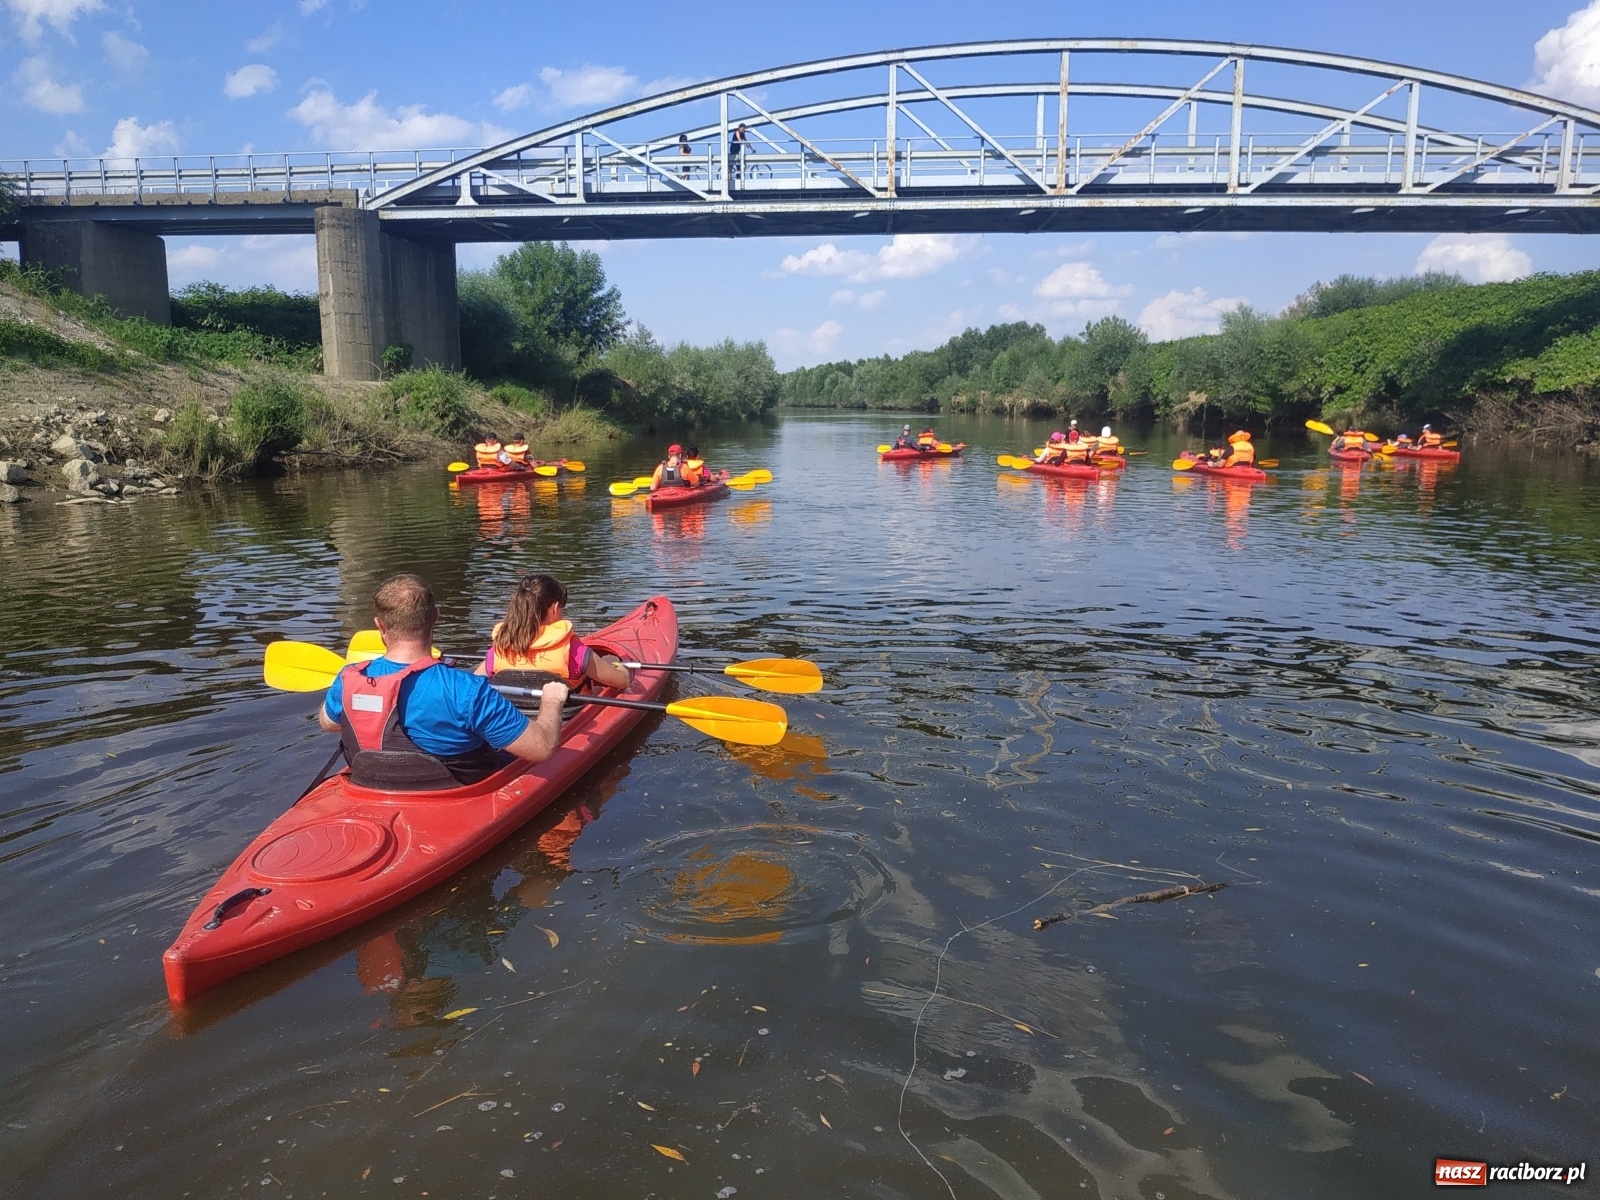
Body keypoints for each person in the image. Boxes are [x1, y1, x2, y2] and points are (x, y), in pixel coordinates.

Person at [317, 574, 567, 789]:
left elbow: (328, 723)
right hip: (455, 792)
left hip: (371, 785)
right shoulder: (467, 689)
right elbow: (542, 749)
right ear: (435, 617)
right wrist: (552, 701)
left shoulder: (349, 678)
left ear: (380, 625)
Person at [477, 573, 631, 692]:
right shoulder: (574, 651)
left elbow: (472, 683)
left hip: (515, 721)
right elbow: (623, 681)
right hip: (565, 720)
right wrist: (615, 663)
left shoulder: (499, 649)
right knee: (599, 689)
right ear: (555, 608)